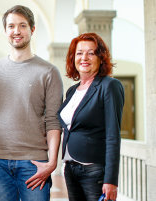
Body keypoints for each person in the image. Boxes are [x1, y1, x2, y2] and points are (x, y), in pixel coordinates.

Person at [0, 5, 63, 201]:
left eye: (22, 26)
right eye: (11, 26)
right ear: (5, 31)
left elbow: (53, 122)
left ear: (32, 30)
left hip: (34, 164)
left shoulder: (49, 72)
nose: (16, 31)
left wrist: (51, 163)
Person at [58, 32, 124, 201]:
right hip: (70, 168)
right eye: (79, 53)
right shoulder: (72, 91)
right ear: (73, 58)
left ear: (100, 58)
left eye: (91, 53)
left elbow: (113, 136)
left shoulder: (109, 86)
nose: (84, 57)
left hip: (94, 170)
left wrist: (111, 180)